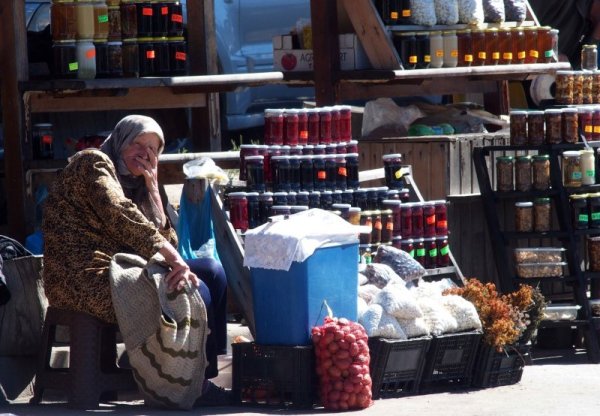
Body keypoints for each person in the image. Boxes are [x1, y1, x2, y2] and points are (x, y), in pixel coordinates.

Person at [41, 115, 230, 406]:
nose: (145, 154)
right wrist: (176, 261)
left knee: (213, 273)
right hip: (82, 276)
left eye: (154, 149)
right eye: (138, 144)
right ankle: (194, 388)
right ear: (121, 141)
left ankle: (201, 378)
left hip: (120, 268)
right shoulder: (92, 163)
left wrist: (154, 189)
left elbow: (169, 241)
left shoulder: (138, 183)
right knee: (191, 289)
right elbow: (122, 217)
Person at [530, 0, 600, 68]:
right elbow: (524, 21)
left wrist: (595, 36)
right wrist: (552, 53)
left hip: (539, 75)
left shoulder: (592, 23)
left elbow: (577, 70)